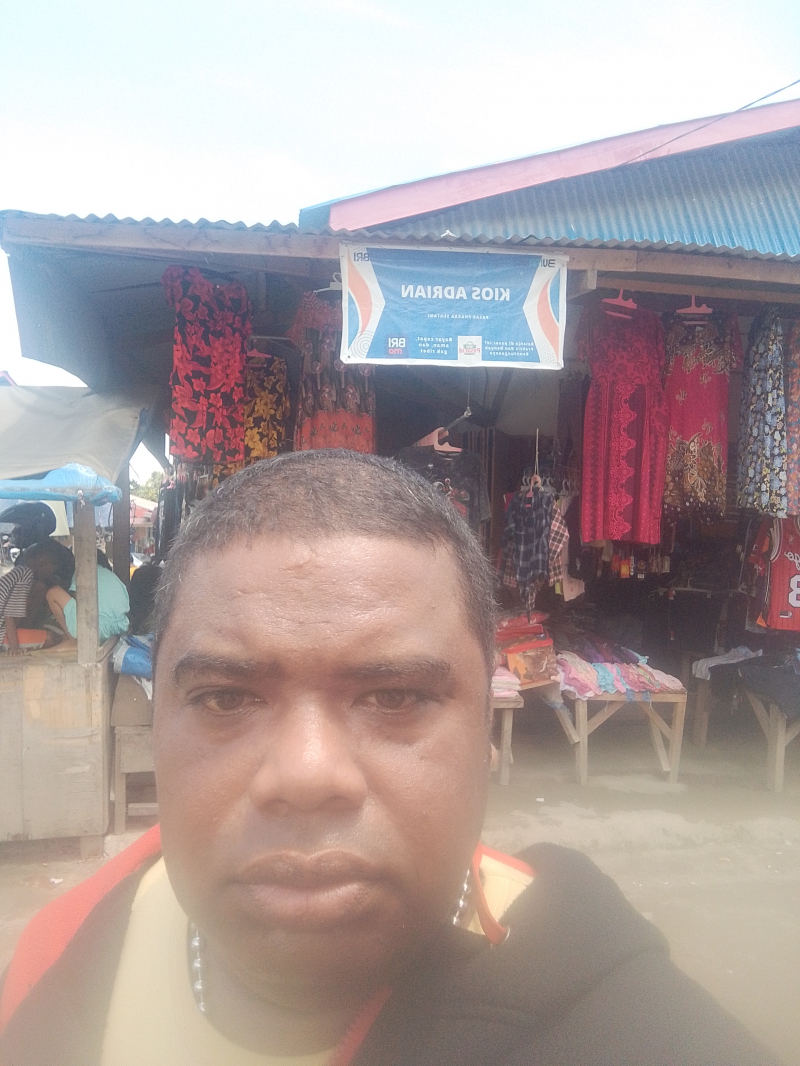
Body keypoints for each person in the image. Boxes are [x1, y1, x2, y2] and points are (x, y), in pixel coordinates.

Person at [0, 452, 777, 1065]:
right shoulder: (63, 961)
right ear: (158, 720)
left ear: (485, 730)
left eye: (396, 696)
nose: (307, 775)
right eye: (226, 698)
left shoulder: (628, 1024)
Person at [46, 549, 130, 644]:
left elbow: (80, 603)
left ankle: (72, 640)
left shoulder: (83, 573)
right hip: (121, 626)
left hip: (98, 629)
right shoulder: (111, 576)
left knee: (53, 593)